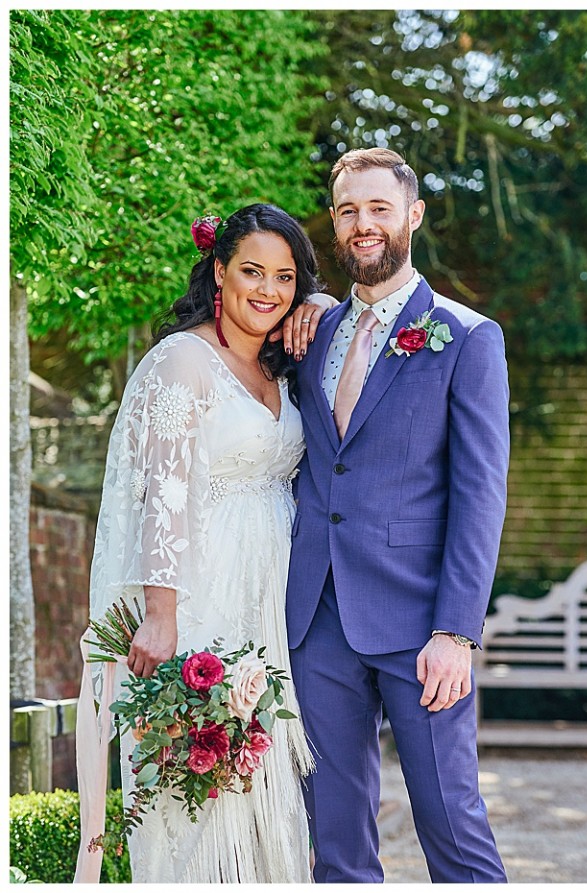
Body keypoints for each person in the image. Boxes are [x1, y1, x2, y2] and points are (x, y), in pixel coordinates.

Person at [282, 147, 511, 883]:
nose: (363, 224)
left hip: (420, 626)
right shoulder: (310, 333)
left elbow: (481, 496)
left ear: (412, 215)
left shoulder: (467, 337)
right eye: (349, 211)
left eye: (379, 208)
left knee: (453, 828)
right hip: (316, 619)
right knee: (337, 842)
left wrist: (456, 632)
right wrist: (309, 302)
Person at [76, 203, 324, 882]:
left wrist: (324, 301)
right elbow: (165, 492)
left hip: (268, 599)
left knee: (264, 786)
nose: (267, 290)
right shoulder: (182, 362)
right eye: (251, 271)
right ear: (219, 271)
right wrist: (161, 613)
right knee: (199, 790)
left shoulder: (282, 368)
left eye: (284, 277)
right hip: (199, 594)